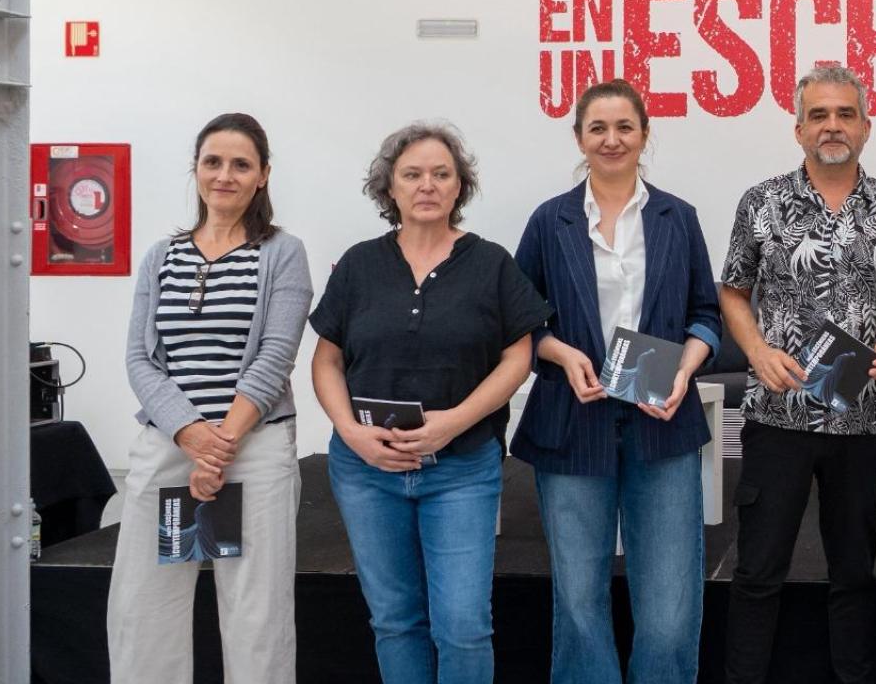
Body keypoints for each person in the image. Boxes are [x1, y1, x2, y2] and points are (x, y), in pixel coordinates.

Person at [309, 121, 550, 684]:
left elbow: (518, 358)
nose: (427, 185)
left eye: (441, 174)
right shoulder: (359, 264)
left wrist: (454, 422)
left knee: (464, 626)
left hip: (460, 468)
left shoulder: (491, 264)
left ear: (459, 186)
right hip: (367, 470)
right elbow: (326, 361)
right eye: (412, 174)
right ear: (389, 187)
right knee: (395, 621)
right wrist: (351, 431)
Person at [512, 80, 722, 683]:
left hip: (663, 421)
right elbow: (520, 322)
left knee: (670, 610)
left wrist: (684, 368)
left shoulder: (677, 217)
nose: (612, 139)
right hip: (572, 422)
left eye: (624, 127)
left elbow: (705, 315)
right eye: (598, 128)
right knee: (579, 602)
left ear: (644, 134)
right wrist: (560, 353)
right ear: (579, 137)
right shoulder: (549, 221)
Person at [722, 65, 876, 684]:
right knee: (757, 572)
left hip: (861, 420)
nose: (831, 126)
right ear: (798, 129)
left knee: (855, 573)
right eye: (818, 115)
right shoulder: (761, 202)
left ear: (866, 127)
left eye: (844, 114)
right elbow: (733, 290)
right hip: (776, 415)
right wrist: (757, 351)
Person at [106, 112, 312, 683]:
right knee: (144, 608)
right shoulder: (161, 256)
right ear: (195, 169)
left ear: (263, 175)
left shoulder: (282, 253)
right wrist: (192, 436)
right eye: (213, 162)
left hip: (255, 448)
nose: (225, 175)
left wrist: (219, 446)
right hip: (171, 446)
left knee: (256, 613)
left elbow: (275, 356)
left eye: (241, 164)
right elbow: (140, 360)